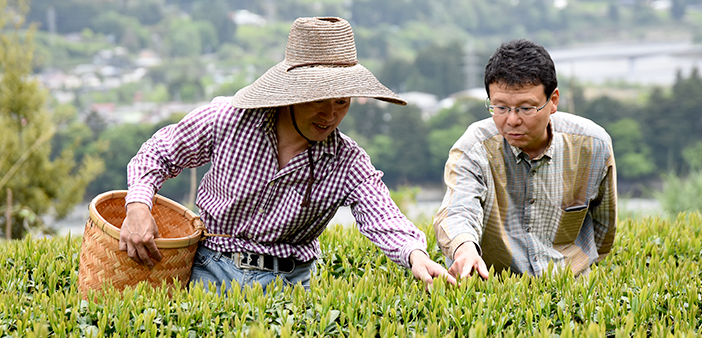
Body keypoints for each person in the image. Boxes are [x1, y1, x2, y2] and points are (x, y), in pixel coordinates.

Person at [119, 16, 456, 294]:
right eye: (318, 99)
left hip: (290, 284)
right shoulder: (229, 120)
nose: (330, 114)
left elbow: (382, 216)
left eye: (342, 101)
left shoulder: (346, 161)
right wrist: (137, 206)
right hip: (210, 270)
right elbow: (157, 153)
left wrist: (415, 255)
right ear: (292, 94)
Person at [433, 39, 617, 280]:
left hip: (569, 287)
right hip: (494, 288)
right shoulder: (474, 147)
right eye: (500, 107)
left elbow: (604, 231)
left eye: (526, 108)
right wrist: (465, 248)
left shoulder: (592, 145)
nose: (512, 120)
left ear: (553, 101)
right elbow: (457, 211)